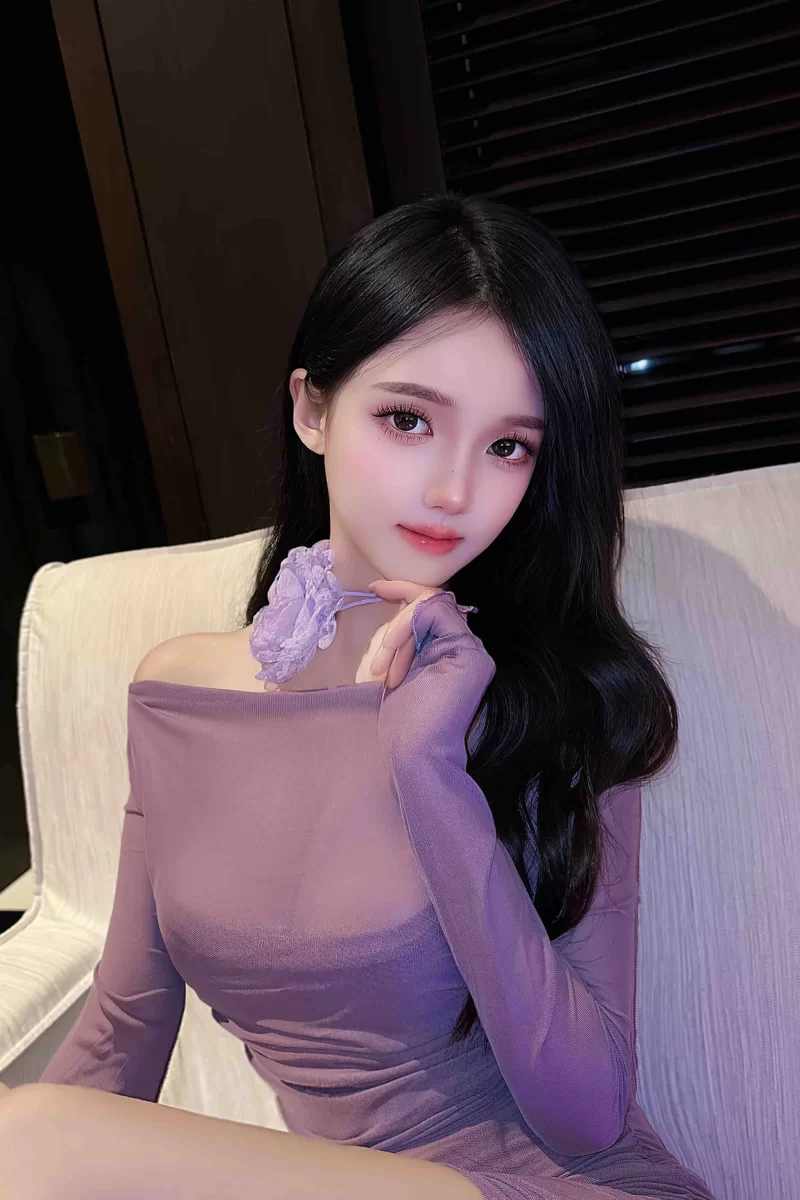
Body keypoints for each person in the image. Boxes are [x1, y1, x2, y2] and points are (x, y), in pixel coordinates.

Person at [1, 192, 716, 1199]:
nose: (453, 491)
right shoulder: (178, 693)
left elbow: (587, 1115)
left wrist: (431, 775)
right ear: (311, 410)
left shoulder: (566, 702)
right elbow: (123, 1032)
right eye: (407, 420)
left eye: (508, 446)